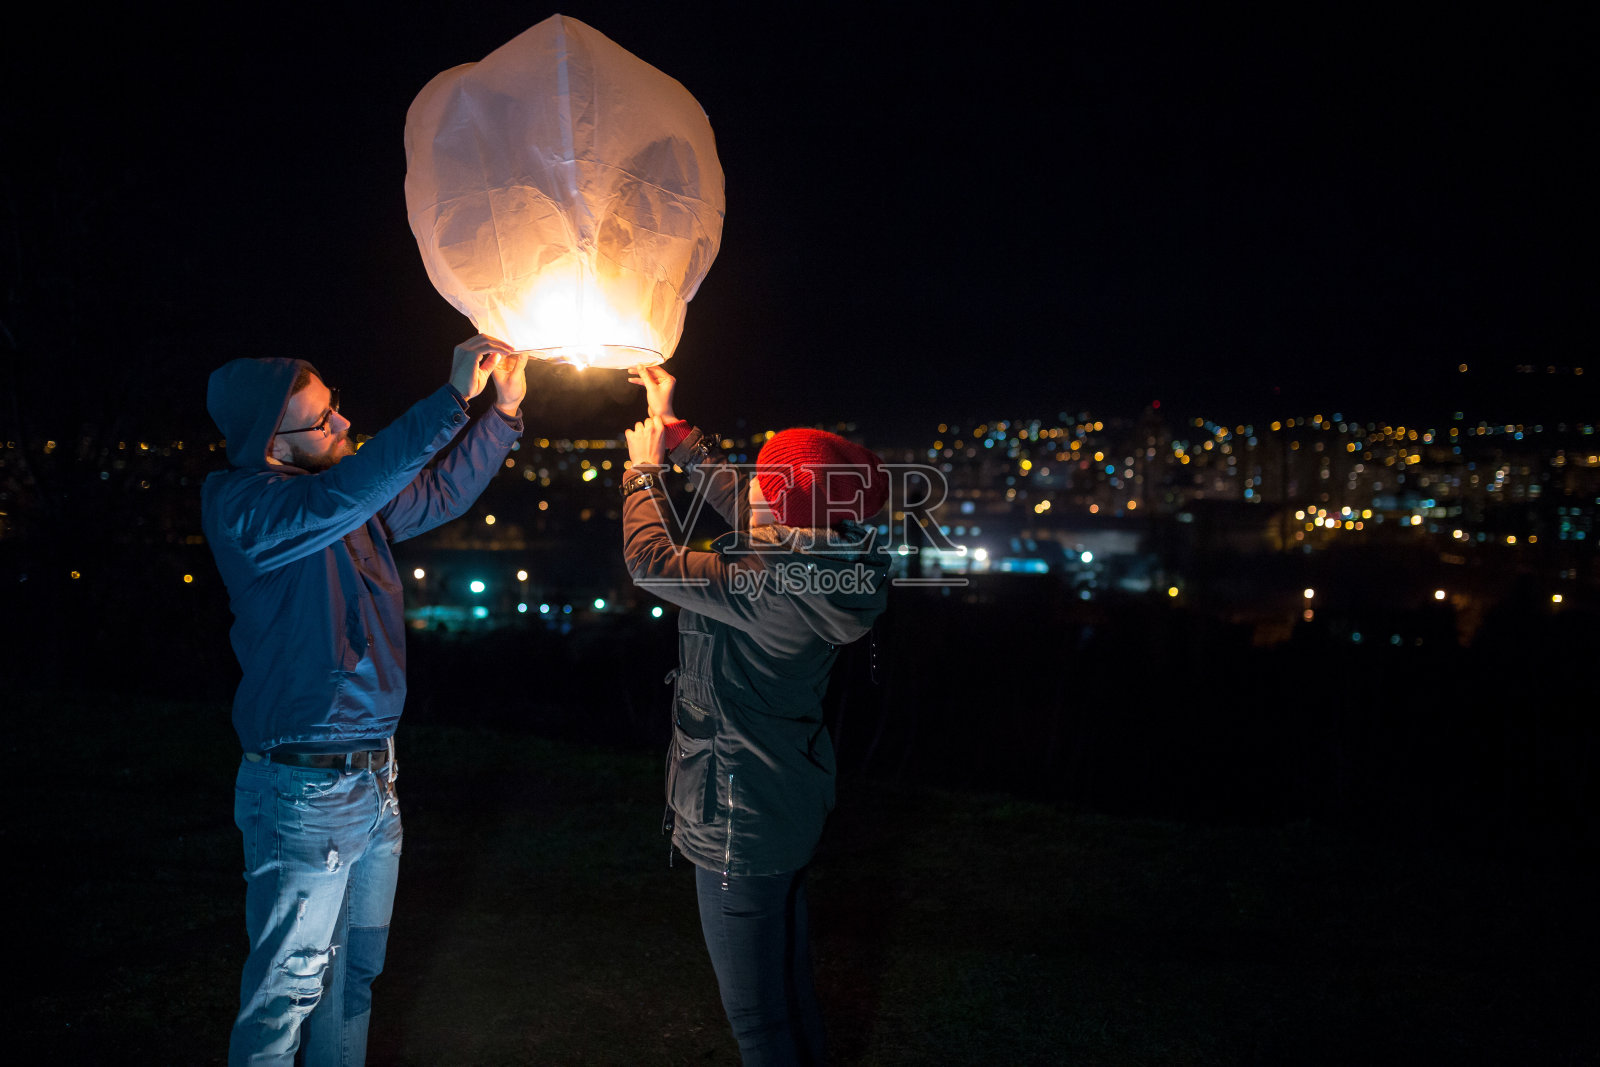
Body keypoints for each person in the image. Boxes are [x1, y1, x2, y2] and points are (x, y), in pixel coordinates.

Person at [202, 335, 527, 1065]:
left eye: (336, 408)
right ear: (269, 442)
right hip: (304, 790)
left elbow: (434, 493)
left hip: (375, 780)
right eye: (322, 422)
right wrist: (453, 398)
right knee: (285, 993)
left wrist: (502, 414)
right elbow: (351, 490)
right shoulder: (248, 512)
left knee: (352, 977)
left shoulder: (340, 500)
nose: (344, 425)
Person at [620, 366, 890, 1066]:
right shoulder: (825, 555)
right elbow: (749, 503)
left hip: (737, 816)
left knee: (759, 1021)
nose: (755, 488)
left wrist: (642, 474)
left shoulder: (762, 581)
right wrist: (677, 431)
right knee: (790, 990)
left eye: (767, 481)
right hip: (785, 801)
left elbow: (650, 561)